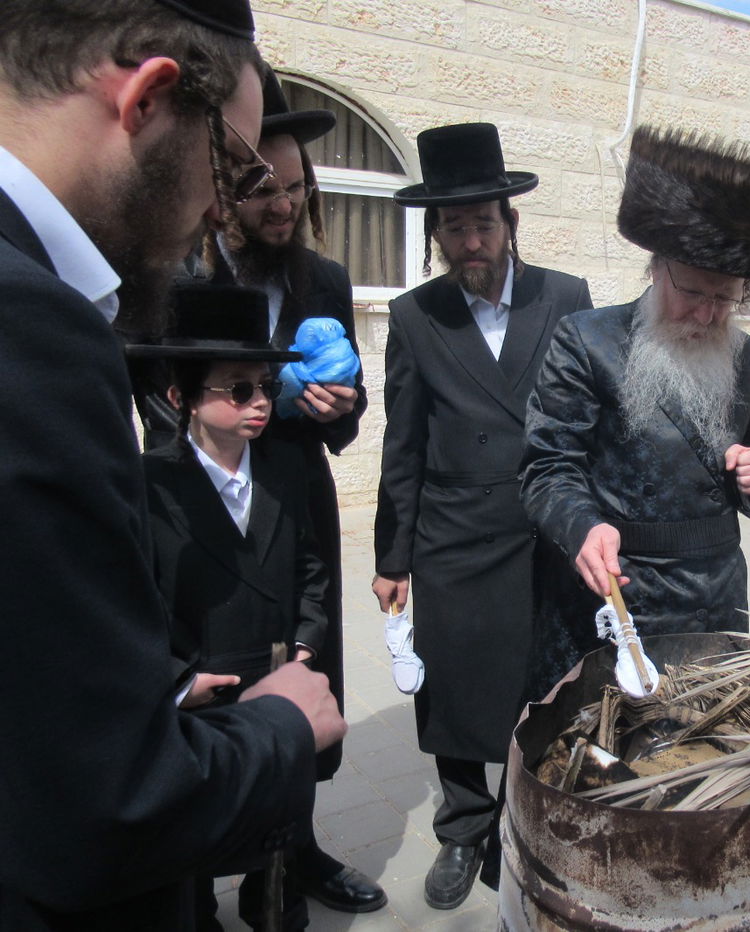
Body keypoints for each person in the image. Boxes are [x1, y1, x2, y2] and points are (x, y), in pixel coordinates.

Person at [0, 2, 344, 930]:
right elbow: (105, 807)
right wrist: (277, 729)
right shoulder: (34, 329)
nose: (222, 206)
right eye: (231, 165)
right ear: (150, 98)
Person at [519, 125, 750, 696]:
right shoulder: (587, 340)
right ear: (657, 268)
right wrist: (582, 528)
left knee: (705, 738)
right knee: (608, 752)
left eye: (727, 297)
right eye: (694, 292)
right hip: (618, 589)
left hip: (715, 594)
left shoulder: (748, 356)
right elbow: (547, 466)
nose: (709, 314)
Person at [370, 122, 593, 911]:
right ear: (436, 234)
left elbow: (591, 419)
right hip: (455, 540)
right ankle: (464, 829)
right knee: (457, 691)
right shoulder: (415, 315)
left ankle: (543, 821)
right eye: (455, 226)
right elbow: (402, 444)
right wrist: (392, 559)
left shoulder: (564, 298)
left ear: (511, 224)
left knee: (557, 689)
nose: (471, 240)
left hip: (547, 537)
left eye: (484, 223)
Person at [204, 70, 383, 918]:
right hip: (210, 516)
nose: (282, 204)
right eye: (265, 188)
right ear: (233, 192)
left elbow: (349, 395)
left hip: (300, 507)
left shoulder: (327, 277)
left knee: (307, 665)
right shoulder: (189, 269)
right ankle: (208, 861)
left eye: (296, 187)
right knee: (220, 676)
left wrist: (343, 407)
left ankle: (296, 852)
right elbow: (156, 398)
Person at [131, 283, 326, 932]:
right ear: (179, 396)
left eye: (265, 387)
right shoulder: (149, 486)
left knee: (276, 840)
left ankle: (275, 913)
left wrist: (304, 641)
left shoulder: (285, 472)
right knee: (194, 847)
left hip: (274, 677)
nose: (259, 403)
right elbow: (133, 598)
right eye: (237, 389)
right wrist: (176, 679)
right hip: (202, 690)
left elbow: (311, 567)